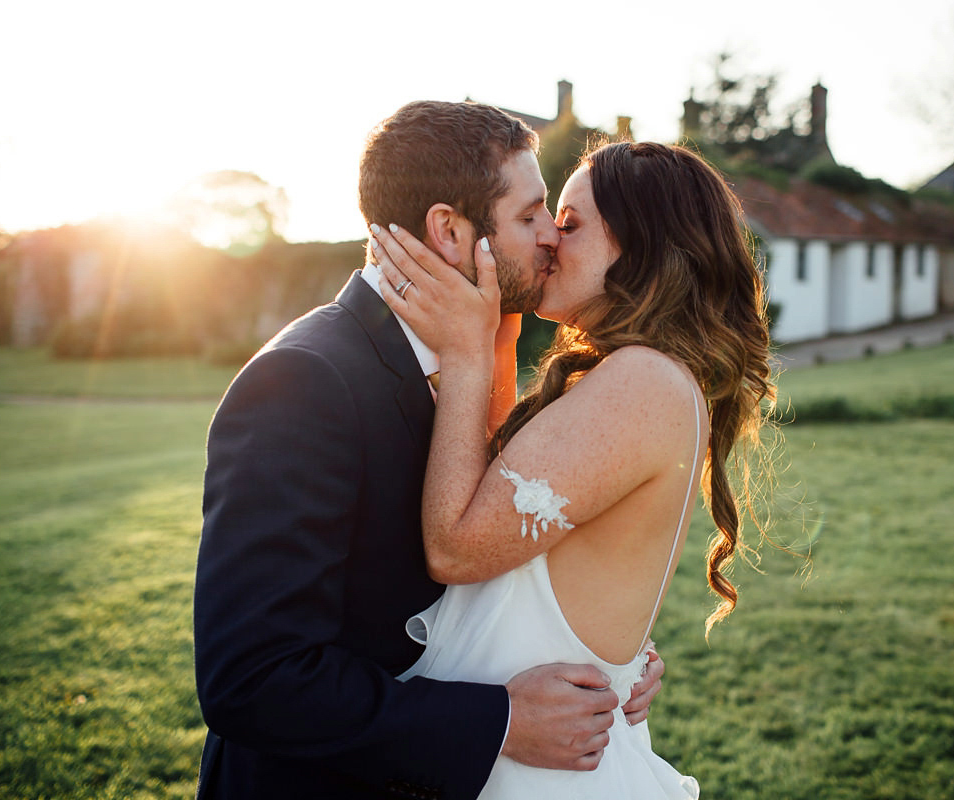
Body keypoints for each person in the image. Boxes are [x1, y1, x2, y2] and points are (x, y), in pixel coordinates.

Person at [192, 102, 662, 800]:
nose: (549, 240)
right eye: (531, 216)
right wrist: (499, 721)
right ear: (450, 230)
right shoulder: (306, 379)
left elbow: (499, 558)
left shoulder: (477, 359)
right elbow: (253, 678)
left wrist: (612, 658)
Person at [368, 140, 775, 798]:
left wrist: (465, 352)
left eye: (571, 221)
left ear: (641, 246)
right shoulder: (639, 376)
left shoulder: (642, 381)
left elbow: (455, 546)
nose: (551, 239)